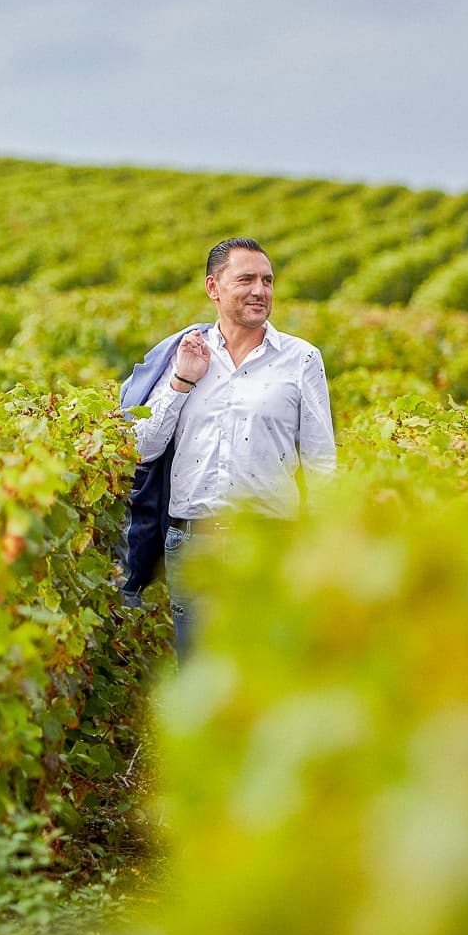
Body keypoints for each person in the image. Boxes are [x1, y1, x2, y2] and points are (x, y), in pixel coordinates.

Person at [118, 237, 336, 656]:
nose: (260, 290)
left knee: (263, 679)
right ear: (213, 288)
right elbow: (142, 450)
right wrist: (183, 380)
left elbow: (320, 460)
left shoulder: (302, 359)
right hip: (192, 543)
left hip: (268, 542)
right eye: (247, 279)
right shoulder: (182, 355)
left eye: (268, 281)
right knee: (198, 682)